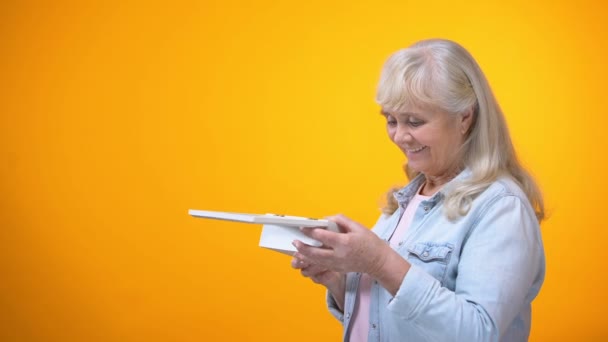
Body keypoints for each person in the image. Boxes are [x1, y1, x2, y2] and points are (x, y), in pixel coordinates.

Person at [291, 38, 545, 342]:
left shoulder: (501, 208)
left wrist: (379, 261)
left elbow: (478, 333)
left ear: (465, 116)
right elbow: (395, 321)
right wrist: (339, 280)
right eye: (390, 120)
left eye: (414, 121)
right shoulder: (408, 199)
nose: (400, 136)